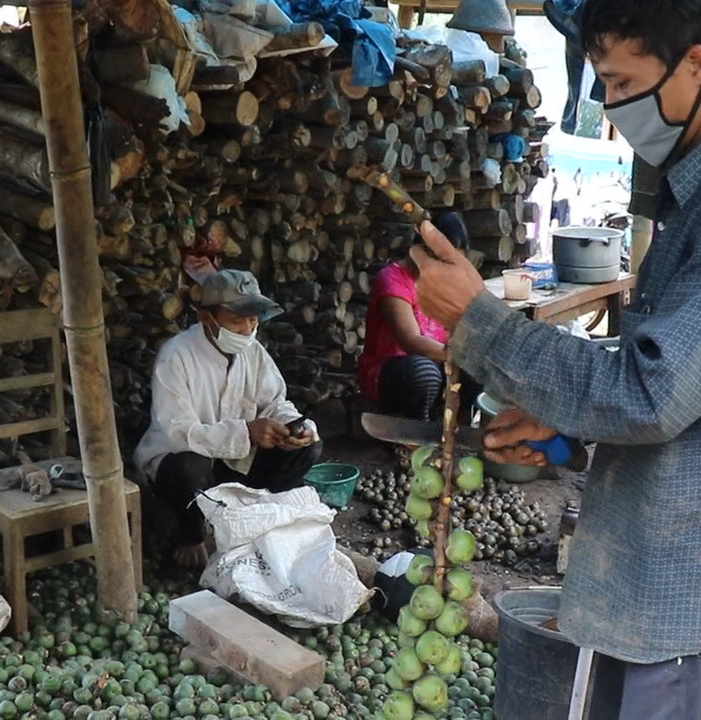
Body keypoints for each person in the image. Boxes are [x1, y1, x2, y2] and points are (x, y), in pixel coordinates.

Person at [406, 1, 701, 718]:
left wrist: (479, 321)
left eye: (620, 80)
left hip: (696, 600)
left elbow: (652, 392)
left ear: (697, 65)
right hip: (660, 582)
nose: (609, 102)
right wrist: (567, 429)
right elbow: (691, 379)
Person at [133, 269, 322, 568]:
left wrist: (293, 427)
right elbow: (179, 433)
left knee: (308, 448)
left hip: (235, 465)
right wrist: (246, 432)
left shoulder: (253, 352)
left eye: (253, 319)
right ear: (206, 317)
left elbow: (274, 402)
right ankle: (190, 535)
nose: (248, 329)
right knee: (188, 466)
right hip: (182, 469)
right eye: (237, 321)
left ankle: (257, 517)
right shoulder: (177, 356)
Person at [357, 212, 480, 423]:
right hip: (392, 374)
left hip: (438, 365)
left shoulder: (444, 282)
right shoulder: (392, 279)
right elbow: (411, 340)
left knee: (479, 367)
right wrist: (456, 355)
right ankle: (414, 435)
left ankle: (458, 431)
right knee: (423, 372)